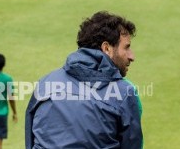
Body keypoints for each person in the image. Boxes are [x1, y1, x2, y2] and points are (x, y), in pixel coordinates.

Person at [25, 11, 143, 149]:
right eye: (127, 47)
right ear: (107, 48)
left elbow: (30, 141)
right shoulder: (124, 93)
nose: (132, 56)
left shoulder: (45, 84)